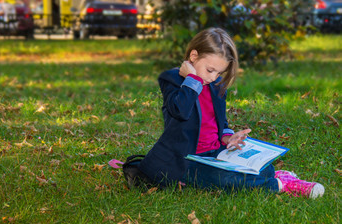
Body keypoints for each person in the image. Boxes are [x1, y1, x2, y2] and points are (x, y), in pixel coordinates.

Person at [131, 27, 324, 199]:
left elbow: (220, 123)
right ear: (193, 56)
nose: (213, 77)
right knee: (223, 179)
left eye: (218, 73)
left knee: (265, 168)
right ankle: (280, 185)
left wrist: (227, 138)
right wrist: (193, 78)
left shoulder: (215, 86)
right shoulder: (173, 80)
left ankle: (275, 176)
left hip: (215, 152)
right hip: (185, 159)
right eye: (209, 70)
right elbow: (180, 111)